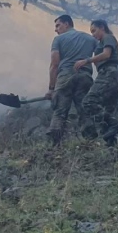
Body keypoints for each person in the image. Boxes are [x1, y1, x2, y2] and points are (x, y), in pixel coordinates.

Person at [45, 14, 96, 145]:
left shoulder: (58, 39)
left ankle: (53, 147)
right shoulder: (90, 39)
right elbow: (101, 57)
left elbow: (54, 64)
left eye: (58, 25)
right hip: (85, 77)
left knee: (60, 111)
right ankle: (91, 143)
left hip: (65, 76)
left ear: (67, 24)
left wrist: (51, 89)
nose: (56, 29)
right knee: (85, 110)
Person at [77, 19, 118, 146]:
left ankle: (115, 124)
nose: (93, 34)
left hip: (109, 74)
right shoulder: (103, 41)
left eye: (94, 30)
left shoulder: (108, 37)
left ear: (102, 27)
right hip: (115, 75)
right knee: (108, 110)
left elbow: (106, 54)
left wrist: (86, 61)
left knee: (88, 102)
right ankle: (111, 146)